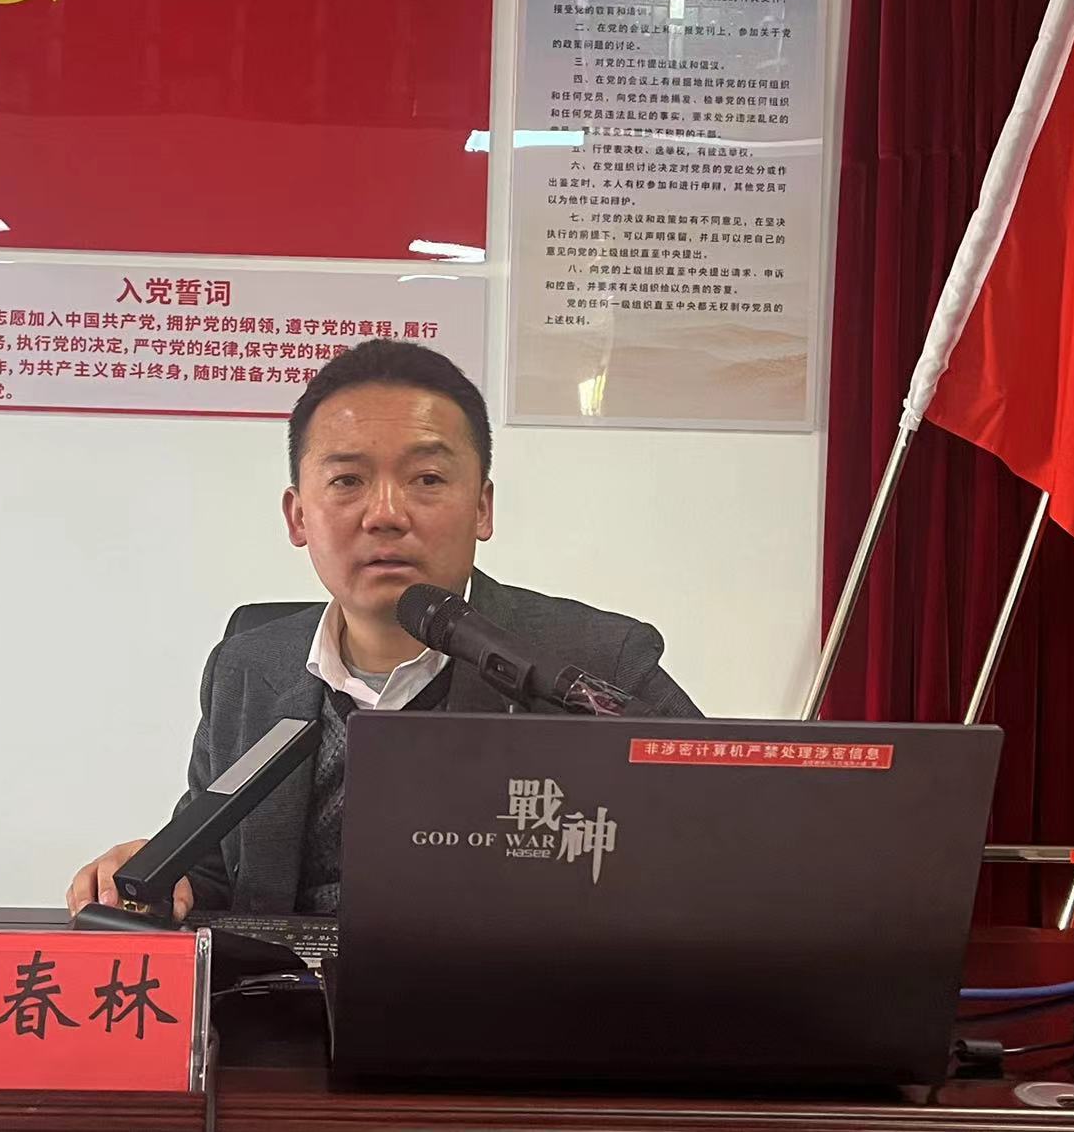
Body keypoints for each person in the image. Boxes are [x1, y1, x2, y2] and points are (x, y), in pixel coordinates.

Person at [67, 339, 700, 919]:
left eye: (427, 479)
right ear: (298, 517)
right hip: (285, 1002)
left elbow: (716, 833)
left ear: (482, 507)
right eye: (347, 480)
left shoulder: (592, 663)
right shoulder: (248, 667)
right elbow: (215, 869)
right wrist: (159, 872)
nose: (386, 514)